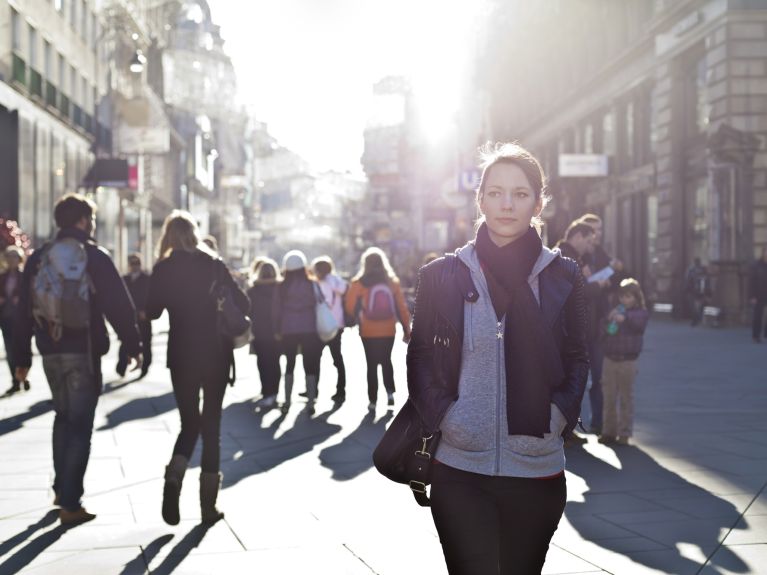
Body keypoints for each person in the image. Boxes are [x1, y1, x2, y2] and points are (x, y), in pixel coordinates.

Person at [408, 142, 588, 574]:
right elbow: (420, 359)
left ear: (538, 202)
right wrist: (449, 418)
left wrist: (558, 416)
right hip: (460, 467)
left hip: (536, 467)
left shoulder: (565, 275)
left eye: (521, 193)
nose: (507, 204)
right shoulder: (441, 276)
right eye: (496, 192)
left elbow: (579, 357)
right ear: (481, 199)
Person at [13, 194, 142, 525]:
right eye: (92, 219)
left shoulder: (39, 258)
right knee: (81, 425)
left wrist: (21, 356)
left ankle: (61, 489)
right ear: (84, 221)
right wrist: (132, 344)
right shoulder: (95, 257)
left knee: (63, 417)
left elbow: (22, 308)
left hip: (50, 350)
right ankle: (71, 503)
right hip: (83, 351)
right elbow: (119, 304)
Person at [146, 210, 248, 525]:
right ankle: (207, 508)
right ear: (194, 233)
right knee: (212, 427)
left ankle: (174, 477)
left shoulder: (163, 268)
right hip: (215, 354)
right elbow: (243, 305)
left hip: (181, 355)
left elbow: (151, 312)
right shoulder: (214, 265)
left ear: (168, 237)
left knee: (189, 424)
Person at [345, 247, 411, 410]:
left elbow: (349, 305)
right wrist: (406, 329)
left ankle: (373, 400)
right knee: (387, 360)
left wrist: (353, 319)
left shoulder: (359, 283)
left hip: (368, 330)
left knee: (371, 363)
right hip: (389, 329)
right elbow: (402, 308)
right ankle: (390, 393)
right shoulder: (392, 282)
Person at [599, 278, 649, 446]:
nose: (624, 300)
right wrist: (608, 320)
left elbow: (639, 325)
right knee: (609, 397)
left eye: (628, 297)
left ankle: (625, 432)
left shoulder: (640, 312)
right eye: (622, 297)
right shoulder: (616, 310)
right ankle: (608, 431)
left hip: (628, 360)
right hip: (610, 358)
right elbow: (605, 332)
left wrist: (625, 318)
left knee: (626, 397)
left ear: (636, 297)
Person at [275, 250, 323, 407]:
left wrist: (277, 329)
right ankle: (310, 402)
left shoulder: (282, 286)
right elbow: (320, 304)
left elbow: (276, 309)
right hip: (309, 328)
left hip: (288, 328)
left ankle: (287, 401)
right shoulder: (312, 284)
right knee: (309, 364)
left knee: (289, 364)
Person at [312, 256, 348, 403]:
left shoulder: (321, 283)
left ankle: (313, 390)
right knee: (337, 358)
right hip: (337, 325)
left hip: (322, 325)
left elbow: (321, 304)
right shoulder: (338, 282)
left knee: (315, 359)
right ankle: (341, 390)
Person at [248, 257, 282, 409]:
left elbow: (248, 311)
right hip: (277, 332)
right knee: (275, 363)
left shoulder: (252, 291)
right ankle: (274, 392)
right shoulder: (280, 289)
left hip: (259, 332)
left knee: (263, 363)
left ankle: (266, 392)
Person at [117, 253, 152, 379]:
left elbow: (152, 297)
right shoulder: (124, 279)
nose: (135, 266)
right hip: (128, 317)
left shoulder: (147, 279)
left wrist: (147, 312)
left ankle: (145, 367)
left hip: (143, 316)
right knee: (125, 340)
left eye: (137, 263)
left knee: (146, 342)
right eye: (132, 263)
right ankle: (122, 366)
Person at [1, 246, 28, 394]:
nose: (11, 260)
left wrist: (21, 300)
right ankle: (15, 380)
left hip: (21, 319)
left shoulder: (24, 276)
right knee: (10, 350)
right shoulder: (2, 277)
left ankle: (24, 376)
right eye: (9, 257)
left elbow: (29, 296)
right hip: (6, 318)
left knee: (22, 349)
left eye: (14, 257)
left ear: (19, 259)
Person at [748, 247, 767, 343]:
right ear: (763, 253)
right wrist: (752, 296)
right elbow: (751, 282)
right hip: (759, 294)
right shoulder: (756, 265)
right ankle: (755, 336)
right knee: (758, 316)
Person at [685, 258, 710, 326]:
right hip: (699, 290)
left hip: (695, 290)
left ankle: (696, 319)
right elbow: (707, 279)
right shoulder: (702, 269)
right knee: (698, 306)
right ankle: (698, 319)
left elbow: (687, 280)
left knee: (695, 306)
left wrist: (687, 288)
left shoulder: (691, 270)